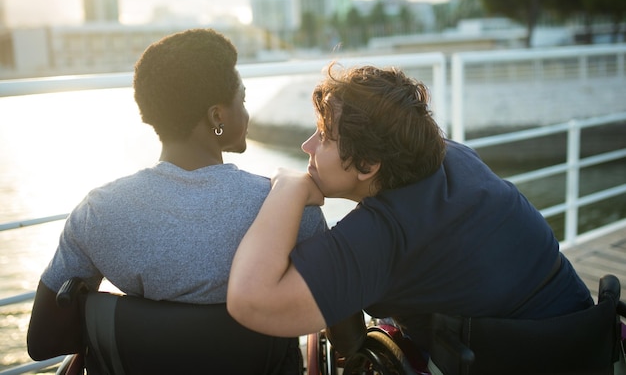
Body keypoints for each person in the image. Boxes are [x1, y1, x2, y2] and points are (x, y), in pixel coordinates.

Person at [227, 63, 594, 360]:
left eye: (324, 136)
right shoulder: (453, 156)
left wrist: (287, 187)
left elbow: (250, 301)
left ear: (368, 163)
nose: (306, 145)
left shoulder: (386, 235)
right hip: (587, 338)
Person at [27, 29, 327, 369]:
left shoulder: (97, 214)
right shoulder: (289, 206)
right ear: (217, 117)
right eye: (241, 101)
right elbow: (343, 329)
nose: (246, 114)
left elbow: (43, 341)